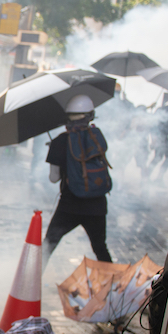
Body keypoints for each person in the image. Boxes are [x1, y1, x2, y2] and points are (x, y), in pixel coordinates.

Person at [42, 94, 112, 268]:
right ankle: (115, 289)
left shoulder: (60, 141)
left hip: (69, 205)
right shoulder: (96, 137)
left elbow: (53, 178)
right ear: (90, 115)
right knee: (100, 248)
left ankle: (30, 287)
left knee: (48, 245)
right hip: (97, 205)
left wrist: (54, 151)